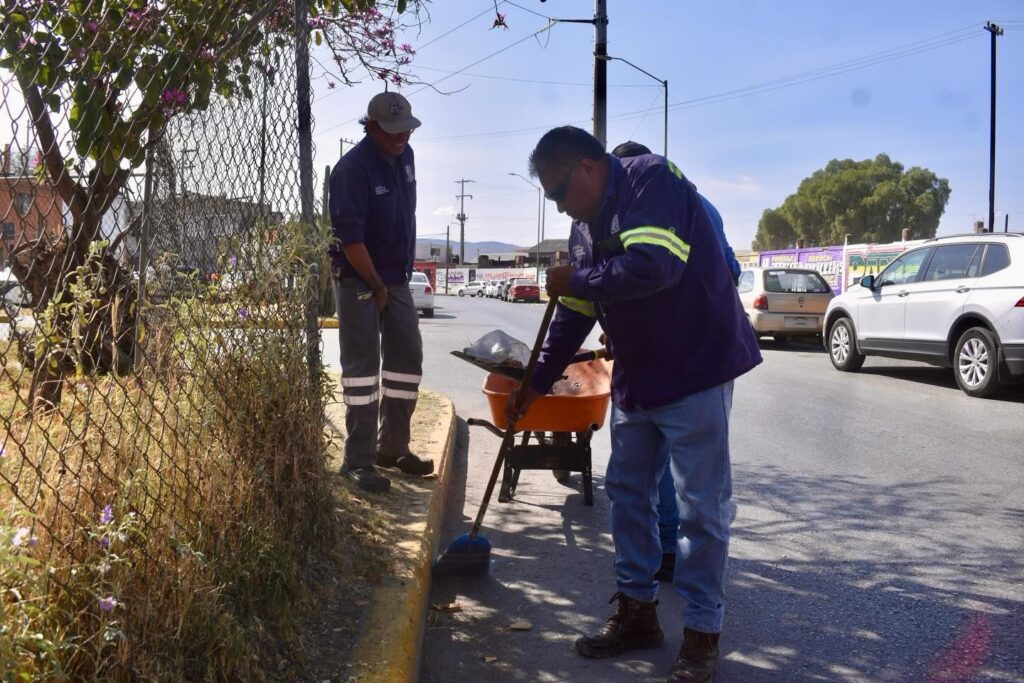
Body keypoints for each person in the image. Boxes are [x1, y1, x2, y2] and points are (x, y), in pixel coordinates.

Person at [507, 126, 761, 682]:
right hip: (638, 376)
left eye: (558, 192)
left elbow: (654, 266)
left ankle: (702, 636)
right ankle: (637, 613)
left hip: (695, 370)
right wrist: (536, 382)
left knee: (700, 509)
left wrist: (576, 278)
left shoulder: (653, 181)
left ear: (588, 166)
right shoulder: (582, 228)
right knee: (627, 494)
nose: (559, 206)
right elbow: (575, 313)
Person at [610, 141, 741, 584]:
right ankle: (661, 563)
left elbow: (655, 274)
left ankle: (670, 551)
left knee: (676, 474)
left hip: (691, 360)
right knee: (663, 476)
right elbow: (729, 271)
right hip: (681, 356)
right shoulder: (704, 205)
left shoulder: (651, 206)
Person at [328, 91, 434, 494]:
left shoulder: (406, 157)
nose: (401, 136)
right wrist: (375, 287)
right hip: (358, 277)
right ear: (370, 127)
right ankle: (358, 461)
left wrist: (393, 281)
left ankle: (392, 448)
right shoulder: (352, 170)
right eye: (391, 130)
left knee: (407, 359)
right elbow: (351, 240)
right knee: (362, 369)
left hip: (396, 275)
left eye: (406, 129)